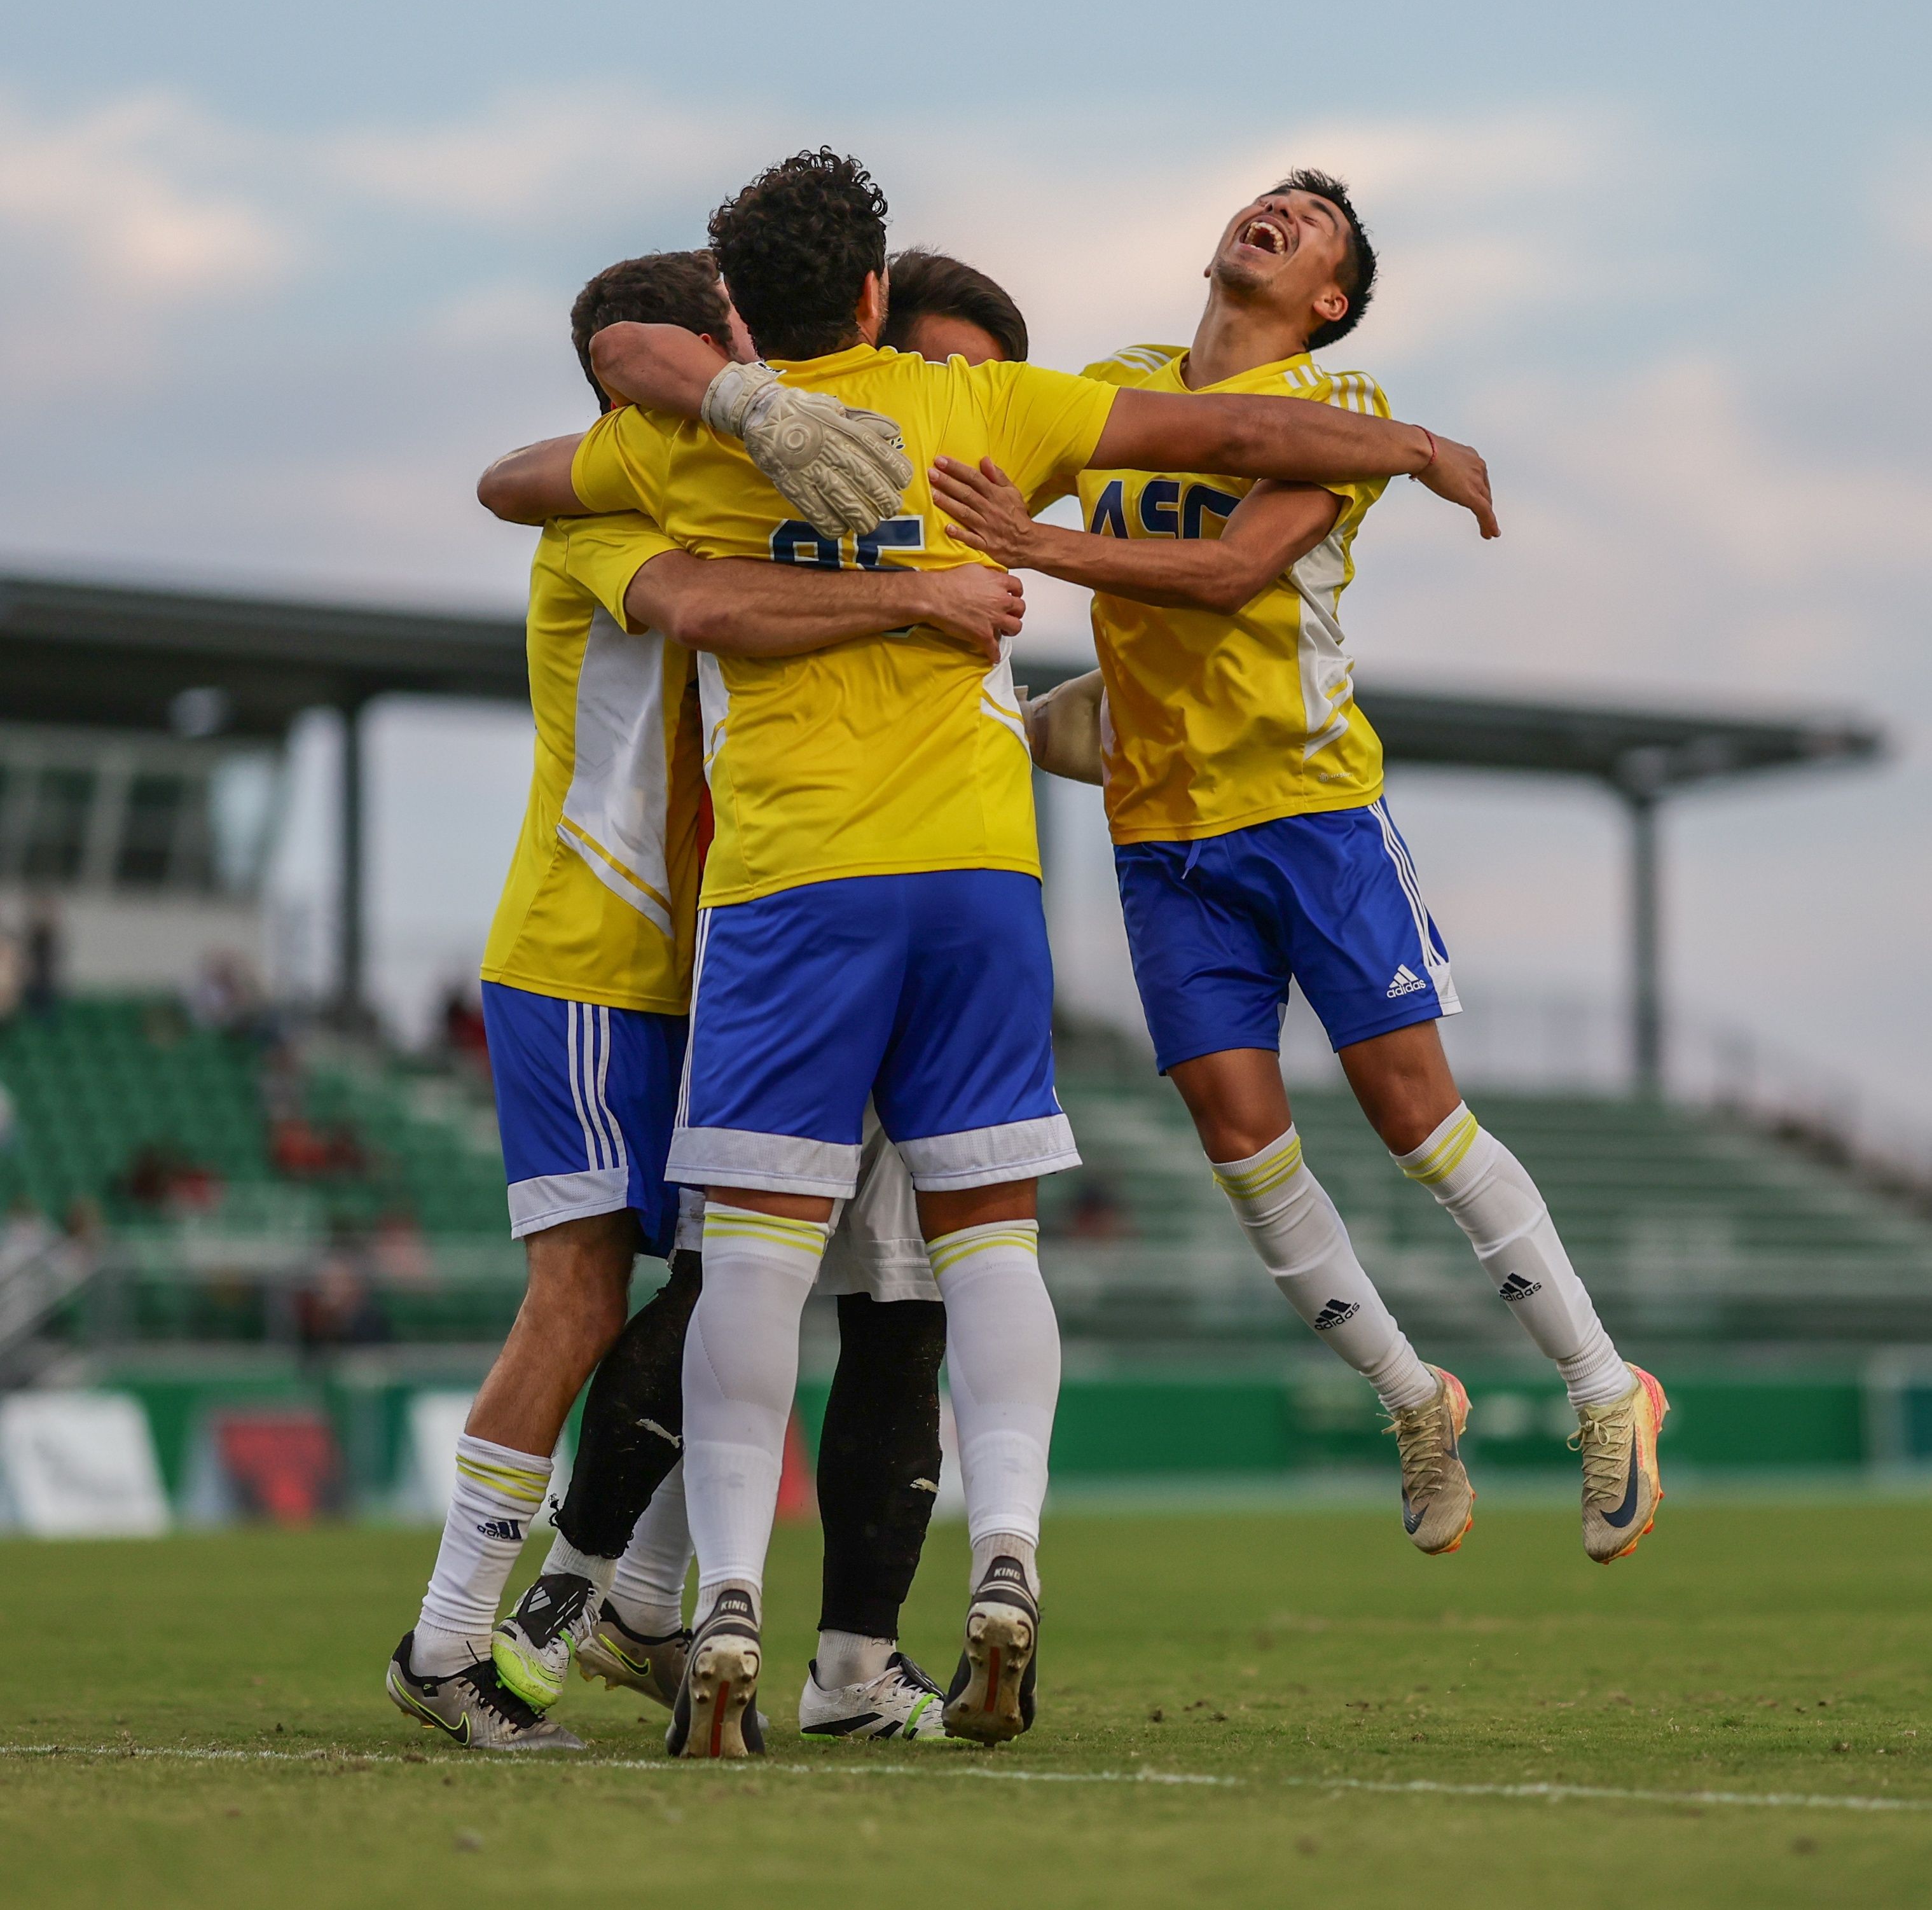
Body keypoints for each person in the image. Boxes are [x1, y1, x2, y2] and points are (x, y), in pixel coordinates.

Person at [479, 146, 1496, 1757]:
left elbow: (516, 482)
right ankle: (1005, 1566)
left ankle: (721, 1600)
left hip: (790, 880)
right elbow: (1237, 431)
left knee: (745, 1261)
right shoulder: (985, 408)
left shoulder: (681, 444)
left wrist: (729, 414)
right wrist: (1412, 448)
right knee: (986, 1250)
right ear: (880, 292)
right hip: (972, 874)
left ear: (741, 304)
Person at [927, 170, 1666, 1565]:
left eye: (1309, 223)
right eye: (1265, 201)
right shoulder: (1114, 389)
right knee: (1240, 1145)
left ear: (1327, 301)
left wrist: (1030, 543)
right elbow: (980, 489)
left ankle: (1602, 1387)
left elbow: (1227, 574)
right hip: (1159, 837)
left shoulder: (1353, 414)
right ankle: (1413, 1399)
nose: (1272, 215)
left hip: (1312, 812)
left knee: (1412, 1116)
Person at [386, 248, 1027, 1754]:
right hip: (587, 961)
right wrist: (918, 594)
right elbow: (705, 604)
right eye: (730, 336)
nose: (758, 357)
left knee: (725, 1291)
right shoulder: (615, 512)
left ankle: (639, 1604)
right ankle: (450, 1637)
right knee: (585, 1297)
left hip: (702, 967)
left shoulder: (693, 483)